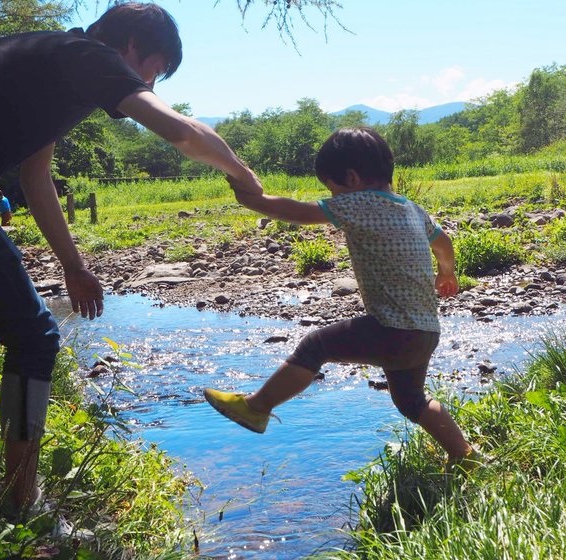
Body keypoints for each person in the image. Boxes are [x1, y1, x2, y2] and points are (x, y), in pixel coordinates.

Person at [0, 2, 261, 516]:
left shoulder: (52, 64)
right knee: (30, 338)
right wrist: (245, 177)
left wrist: (73, 265)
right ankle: (21, 506)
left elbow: (34, 178)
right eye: (154, 70)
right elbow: (179, 132)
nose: (151, 84)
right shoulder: (88, 56)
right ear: (131, 47)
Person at [204, 127, 479, 470]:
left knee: (315, 346)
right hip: (425, 332)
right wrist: (447, 271)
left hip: (392, 330)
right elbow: (444, 242)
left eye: (332, 189)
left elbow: (298, 213)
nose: (333, 197)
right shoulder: (413, 210)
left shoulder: (358, 202)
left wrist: (255, 201)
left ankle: (256, 408)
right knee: (412, 401)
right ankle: (465, 456)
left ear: (351, 178)